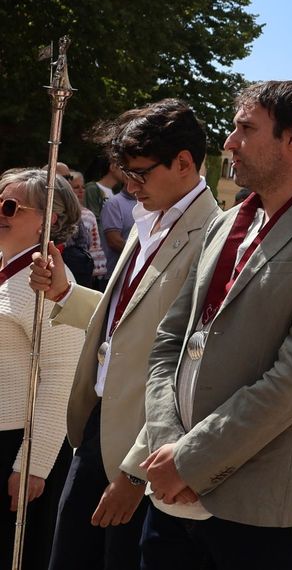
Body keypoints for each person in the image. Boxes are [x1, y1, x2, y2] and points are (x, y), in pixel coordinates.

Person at [131, 80, 292, 569]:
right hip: (170, 495)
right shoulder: (227, 223)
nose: (229, 142)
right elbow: (170, 343)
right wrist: (166, 443)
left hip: (259, 507)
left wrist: (191, 458)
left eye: (245, 128)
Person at [27, 101, 217, 570]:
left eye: (139, 174)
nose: (129, 187)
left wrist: (135, 471)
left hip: (143, 444)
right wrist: (66, 293)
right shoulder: (147, 216)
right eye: (125, 175)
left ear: (184, 163)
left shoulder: (215, 235)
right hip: (96, 426)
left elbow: (190, 365)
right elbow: (131, 321)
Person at [1, 169, 86, 570]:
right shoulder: (5, 268)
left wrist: (32, 465)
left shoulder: (45, 282)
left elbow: (61, 374)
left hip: (16, 444)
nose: (0, 212)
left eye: (10, 206)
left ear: (47, 218)